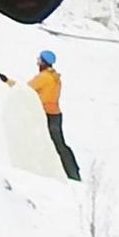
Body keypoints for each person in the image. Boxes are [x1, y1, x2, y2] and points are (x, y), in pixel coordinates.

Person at [32, 50, 81, 181]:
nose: (37, 61)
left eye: (39, 59)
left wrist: (8, 82)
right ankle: (73, 170)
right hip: (55, 114)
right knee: (60, 144)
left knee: (52, 143)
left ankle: (67, 174)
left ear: (43, 61)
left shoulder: (43, 77)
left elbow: (26, 90)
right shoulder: (54, 77)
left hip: (46, 114)